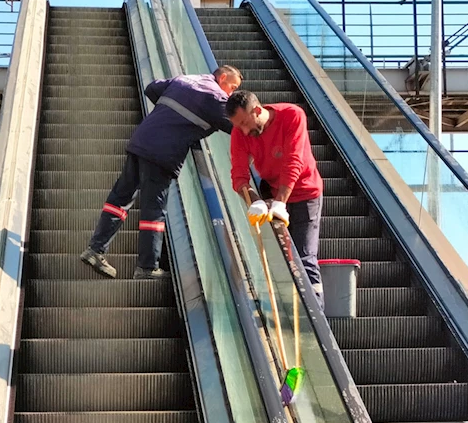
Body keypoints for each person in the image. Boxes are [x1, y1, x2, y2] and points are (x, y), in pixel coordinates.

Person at [81, 65, 243, 280]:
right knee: (154, 210)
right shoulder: (215, 97)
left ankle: (95, 249)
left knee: (120, 198)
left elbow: (151, 88)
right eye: (232, 87)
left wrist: (171, 115)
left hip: (142, 140)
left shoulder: (185, 79)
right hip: (163, 152)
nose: (230, 94)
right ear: (222, 77)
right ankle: (147, 268)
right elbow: (240, 125)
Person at [226, 90, 325, 308]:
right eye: (237, 125)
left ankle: (316, 314)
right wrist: (255, 201)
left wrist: (281, 202)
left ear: (258, 110)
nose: (243, 130)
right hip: (271, 191)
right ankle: (284, 309)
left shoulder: (292, 115)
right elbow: (239, 175)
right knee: (279, 259)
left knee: (305, 257)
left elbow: (293, 162)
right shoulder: (239, 133)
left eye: (244, 122)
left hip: (306, 192)